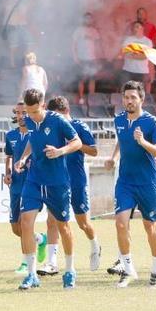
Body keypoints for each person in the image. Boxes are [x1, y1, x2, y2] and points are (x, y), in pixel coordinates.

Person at [16, 88, 82, 290]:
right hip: (34, 179)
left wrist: (60, 151)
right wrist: (24, 157)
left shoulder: (58, 121)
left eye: (35, 111)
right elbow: (32, 140)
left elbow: (77, 142)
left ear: (43, 106)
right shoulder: (29, 120)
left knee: (63, 226)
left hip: (57, 181)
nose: (31, 116)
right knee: (25, 222)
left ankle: (70, 270)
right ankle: (31, 274)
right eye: (28, 112)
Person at [104, 81, 156, 288]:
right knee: (120, 223)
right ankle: (127, 269)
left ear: (141, 99)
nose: (128, 101)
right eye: (126, 97)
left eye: (133, 97)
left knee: (150, 226)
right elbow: (121, 140)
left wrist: (143, 142)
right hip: (125, 181)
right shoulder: (119, 119)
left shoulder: (151, 123)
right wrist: (113, 157)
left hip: (147, 182)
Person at [42, 96, 102, 273]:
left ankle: (95, 246)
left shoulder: (79, 126)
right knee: (52, 221)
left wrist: (76, 145)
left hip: (76, 180)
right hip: (57, 181)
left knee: (83, 223)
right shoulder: (52, 128)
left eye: (57, 115)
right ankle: (51, 262)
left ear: (66, 112)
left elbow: (94, 150)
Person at [3, 102, 48, 274]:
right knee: (16, 228)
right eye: (18, 113)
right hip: (15, 185)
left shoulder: (35, 134)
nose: (21, 116)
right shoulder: (11, 135)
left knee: (24, 223)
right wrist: (7, 172)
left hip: (32, 184)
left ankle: (25, 263)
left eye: (24, 112)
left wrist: (33, 165)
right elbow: (8, 156)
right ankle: (40, 239)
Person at [72, 12, 101, 105]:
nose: (88, 20)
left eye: (90, 18)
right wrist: (75, 57)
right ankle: (81, 98)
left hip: (92, 59)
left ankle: (91, 98)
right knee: (82, 79)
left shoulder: (94, 31)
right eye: (86, 18)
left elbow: (97, 45)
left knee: (92, 79)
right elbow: (73, 45)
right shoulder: (78, 30)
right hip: (82, 58)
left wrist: (97, 56)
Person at [120, 21, 153, 95]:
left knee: (139, 94)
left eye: (137, 26)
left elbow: (145, 56)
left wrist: (133, 54)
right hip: (128, 70)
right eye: (134, 27)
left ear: (142, 28)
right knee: (126, 93)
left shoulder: (148, 42)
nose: (136, 28)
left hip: (142, 71)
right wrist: (139, 54)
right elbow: (126, 53)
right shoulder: (128, 40)